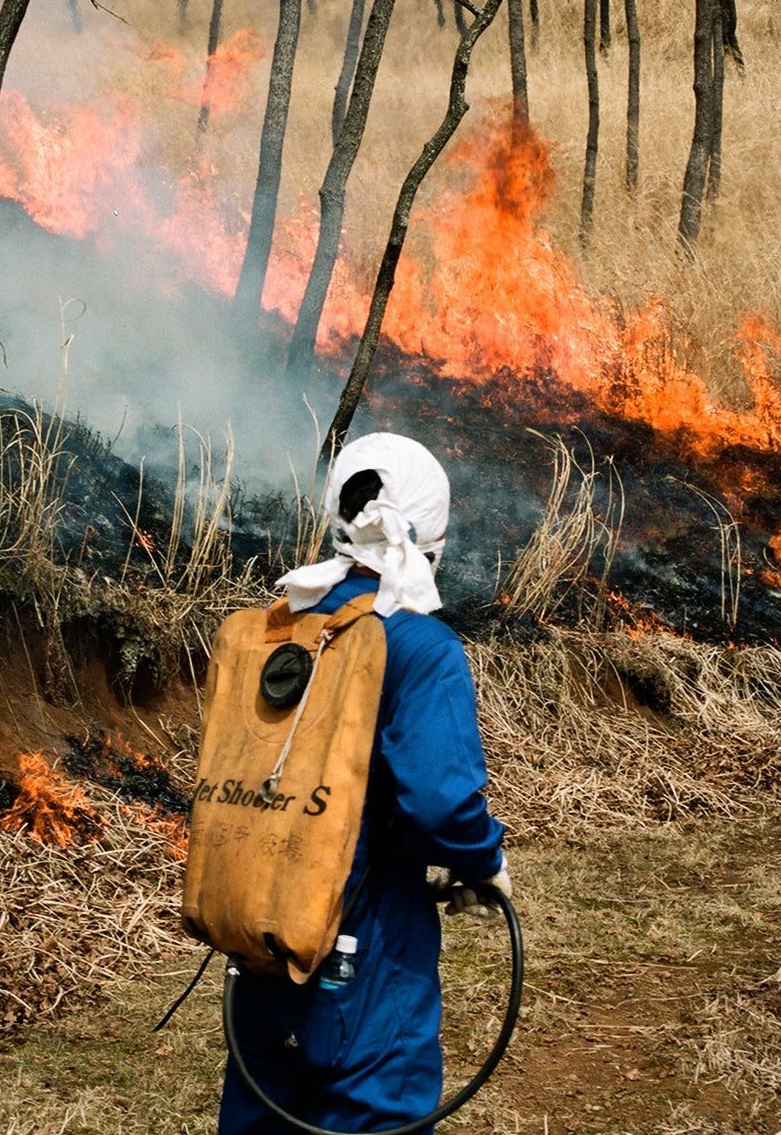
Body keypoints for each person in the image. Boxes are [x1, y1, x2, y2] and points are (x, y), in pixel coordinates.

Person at [218, 430, 509, 1135]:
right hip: (367, 955)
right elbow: (439, 800)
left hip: (263, 940)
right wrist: (483, 861)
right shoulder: (418, 646)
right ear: (427, 539)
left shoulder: (283, 624)